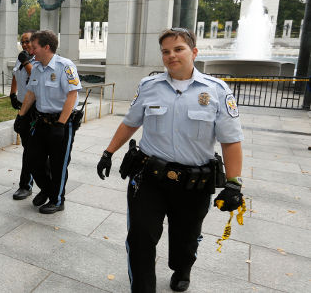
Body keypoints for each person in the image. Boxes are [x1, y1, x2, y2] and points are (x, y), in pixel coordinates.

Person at [96, 28, 244, 292]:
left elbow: (230, 140)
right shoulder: (148, 86)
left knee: (186, 239)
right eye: (166, 51)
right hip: (149, 178)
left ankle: (182, 268)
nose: (171, 56)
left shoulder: (217, 91)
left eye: (178, 49)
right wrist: (108, 152)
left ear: (194, 52)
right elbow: (130, 123)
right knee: (140, 237)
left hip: (194, 183)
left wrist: (234, 183)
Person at [15, 30, 82, 214]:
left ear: (46, 47)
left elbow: (72, 94)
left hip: (62, 123)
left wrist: (61, 124)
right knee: (32, 159)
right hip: (41, 121)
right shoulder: (36, 66)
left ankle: (57, 200)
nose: (31, 51)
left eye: (34, 47)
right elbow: (31, 93)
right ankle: (47, 189)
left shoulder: (65, 66)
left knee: (58, 164)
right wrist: (21, 116)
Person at [9, 30, 37, 200]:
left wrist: (26, 61)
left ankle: (26, 185)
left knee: (31, 151)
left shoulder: (36, 61)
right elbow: (15, 74)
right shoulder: (21, 59)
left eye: (27, 41)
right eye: (22, 41)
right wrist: (12, 94)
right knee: (28, 148)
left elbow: (35, 76)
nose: (24, 44)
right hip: (22, 108)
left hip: (34, 110)